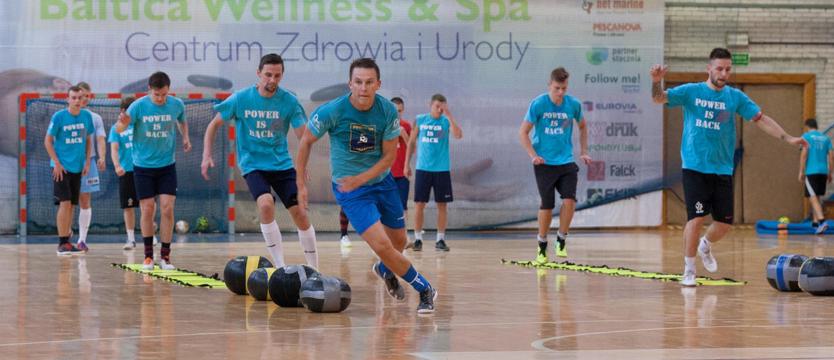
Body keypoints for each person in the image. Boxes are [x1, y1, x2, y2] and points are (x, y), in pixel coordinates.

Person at [651, 47, 806, 286]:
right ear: (709, 68)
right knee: (696, 217)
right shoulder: (691, 92)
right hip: (695, 166)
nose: (724, 73)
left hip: (722, 168)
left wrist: (787, 137)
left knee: (724, 224)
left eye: (728, 69)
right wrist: (656, 82)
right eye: (720, 68)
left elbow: (761, 119)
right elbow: (659, 98)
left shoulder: (735, 97)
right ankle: (689, 270)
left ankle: (706, 245)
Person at [296, 57, 437, 314]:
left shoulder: (386, 112)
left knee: (399, 242)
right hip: (351, 192)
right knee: (382, 246)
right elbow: (306, 140)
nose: (363, 87)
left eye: (369, 82)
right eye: (358, 82)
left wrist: (362, 178)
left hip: (381, 183)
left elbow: (389, 157)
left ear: (378, 84)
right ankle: (425, 288)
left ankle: (385, 269)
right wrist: (301, 184)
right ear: (350, 83)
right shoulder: (332, 111)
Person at [202, 53, 319, 269]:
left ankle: (315, 269)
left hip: (282, 165)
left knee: (300, 214)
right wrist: (206, 154)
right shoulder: (241, 99)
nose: (272, 80)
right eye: (268, 75)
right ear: (258, 73)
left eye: (277, 75)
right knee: (266, 205)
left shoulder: (289, 102)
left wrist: (303, 167)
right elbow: (213, 125)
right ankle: (280, 267)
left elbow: (304, 137)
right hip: (253, 165)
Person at [116, 71, 191, 271]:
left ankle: (165, 256)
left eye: (164, 95)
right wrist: (122, 123)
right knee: (148, 209)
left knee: (167, 208)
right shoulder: (138, 106)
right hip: (142, 166)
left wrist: (185, 137)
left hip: (167, 165)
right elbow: (119, 130)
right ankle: (148, 256)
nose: (160, 99)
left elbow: (182, 120)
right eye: (157, 95)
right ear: (149, 90)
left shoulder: (176, 105)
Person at [518, 67, 591, 263]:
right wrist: (533, 155)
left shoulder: (573, 104)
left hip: (566, 160)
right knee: (547, 205)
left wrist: (583, 150)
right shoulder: (539, 104)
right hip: (544, 162)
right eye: (557, 88)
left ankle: (561, 238)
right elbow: (523, 132)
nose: (560, 93)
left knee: (569, 200)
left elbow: (583, 126)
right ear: (550, 85)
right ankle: (542, 244)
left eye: (564, 89)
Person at [404, 94, 462, 252]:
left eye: (442, 107)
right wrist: (406, 164)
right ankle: (417, 239)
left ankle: (440, 239)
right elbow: (411, 143)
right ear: (430, 105)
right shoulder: (421, 120)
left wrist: (449, 115)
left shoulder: (445, 121)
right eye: (437, 106)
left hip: (441, 169)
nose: (439, 109)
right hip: (423, 168)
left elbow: (458, 135)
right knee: (419, 204)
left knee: (442, 205)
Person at [45, 85, 93, 255]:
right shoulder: (59, 117)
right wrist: (57, 163)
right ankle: (62, 243)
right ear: (68, 99)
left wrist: (87, 162)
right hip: (61, 168)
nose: (77, 101)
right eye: (73, 98)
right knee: (64, 203)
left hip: (77, 168)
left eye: (80, 98)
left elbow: (88, 139)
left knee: (72, 205)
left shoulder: (86, 116)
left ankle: (67, 241)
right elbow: (48, 141)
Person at [74, 82, 107, 252]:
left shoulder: (95, 118)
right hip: (69, 163)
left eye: (87, 95)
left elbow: (100, 139)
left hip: (89, 162)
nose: (84, 99)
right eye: (81, 96)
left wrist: (102, 157)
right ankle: (65, 237)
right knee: (68, 202)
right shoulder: (64, 116)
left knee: (85, 200)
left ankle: (82, 239)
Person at [109, 97, 143, 250]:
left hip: (143, 168)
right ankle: (131, 239)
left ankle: (150, 235)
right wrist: (117, 165)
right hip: (126, 171)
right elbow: (114, 149)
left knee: (147, 204)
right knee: (128, 207)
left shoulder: (140, 125)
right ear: (122, 111)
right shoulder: (116, 128)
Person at [799, 118, 833, 234]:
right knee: (817, 196)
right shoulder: (826, 138)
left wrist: (801, 171)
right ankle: (815, 223)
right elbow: (831, 156)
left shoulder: (806, 136)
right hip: (823, 171)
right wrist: (830, 172)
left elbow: (804, 155)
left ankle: (822, 221)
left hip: (811, 171)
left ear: (807, 126)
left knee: (812, 197)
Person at [389, 97, 414, 248]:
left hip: (402, 173)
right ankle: (386, 237)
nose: (397, 114)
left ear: (402, 110)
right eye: (394, 111)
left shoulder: (406, 126)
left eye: (399, 111)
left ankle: (403, 237)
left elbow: (414, 149)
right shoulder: (384, 125)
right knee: (385, 206)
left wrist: (404, 135)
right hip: (386, 173)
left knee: (402, 206)